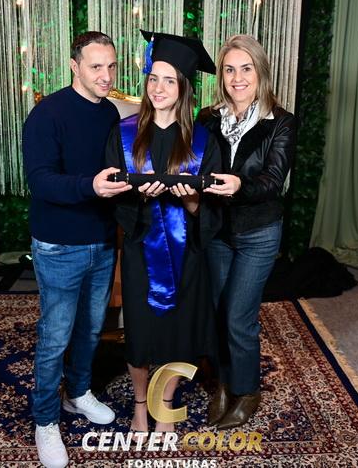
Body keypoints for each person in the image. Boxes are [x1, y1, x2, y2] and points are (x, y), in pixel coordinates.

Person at [22, 31, 132, 468]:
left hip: (102, 241)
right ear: (74, 66)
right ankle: (45, 420)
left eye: (111, 66)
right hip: (59, 245)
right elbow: (41, 181)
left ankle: (79, 393)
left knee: (89, 330)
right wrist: (91, 186)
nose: (106, 76)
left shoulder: (110, 114)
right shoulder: (47, 114)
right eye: (95, 67)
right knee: (55, 337)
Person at [106, 30, 220, 433]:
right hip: (141, 249)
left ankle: (164, 404)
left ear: (184, 87)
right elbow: (114, 196)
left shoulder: (204, 141)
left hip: (188, 254)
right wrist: (139, 199)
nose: (158, 88)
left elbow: (213, 208)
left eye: (169, 80)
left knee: (179, 333)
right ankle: (141, 405)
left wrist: (191, 202)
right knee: (140, 332)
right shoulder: (124, 133)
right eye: (153, 78)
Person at [199, 34, 297, 430]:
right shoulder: (208, 118)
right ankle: (224, 384)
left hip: (258, 232)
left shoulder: (281, 121)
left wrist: (240, 185)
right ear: (221, 76)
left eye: (246, 68)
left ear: (260, 73)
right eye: (229, 70)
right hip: (217, 230)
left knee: (239, 316)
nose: (237, 78)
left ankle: (247, 390)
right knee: (218, 311)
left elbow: (273, 180)